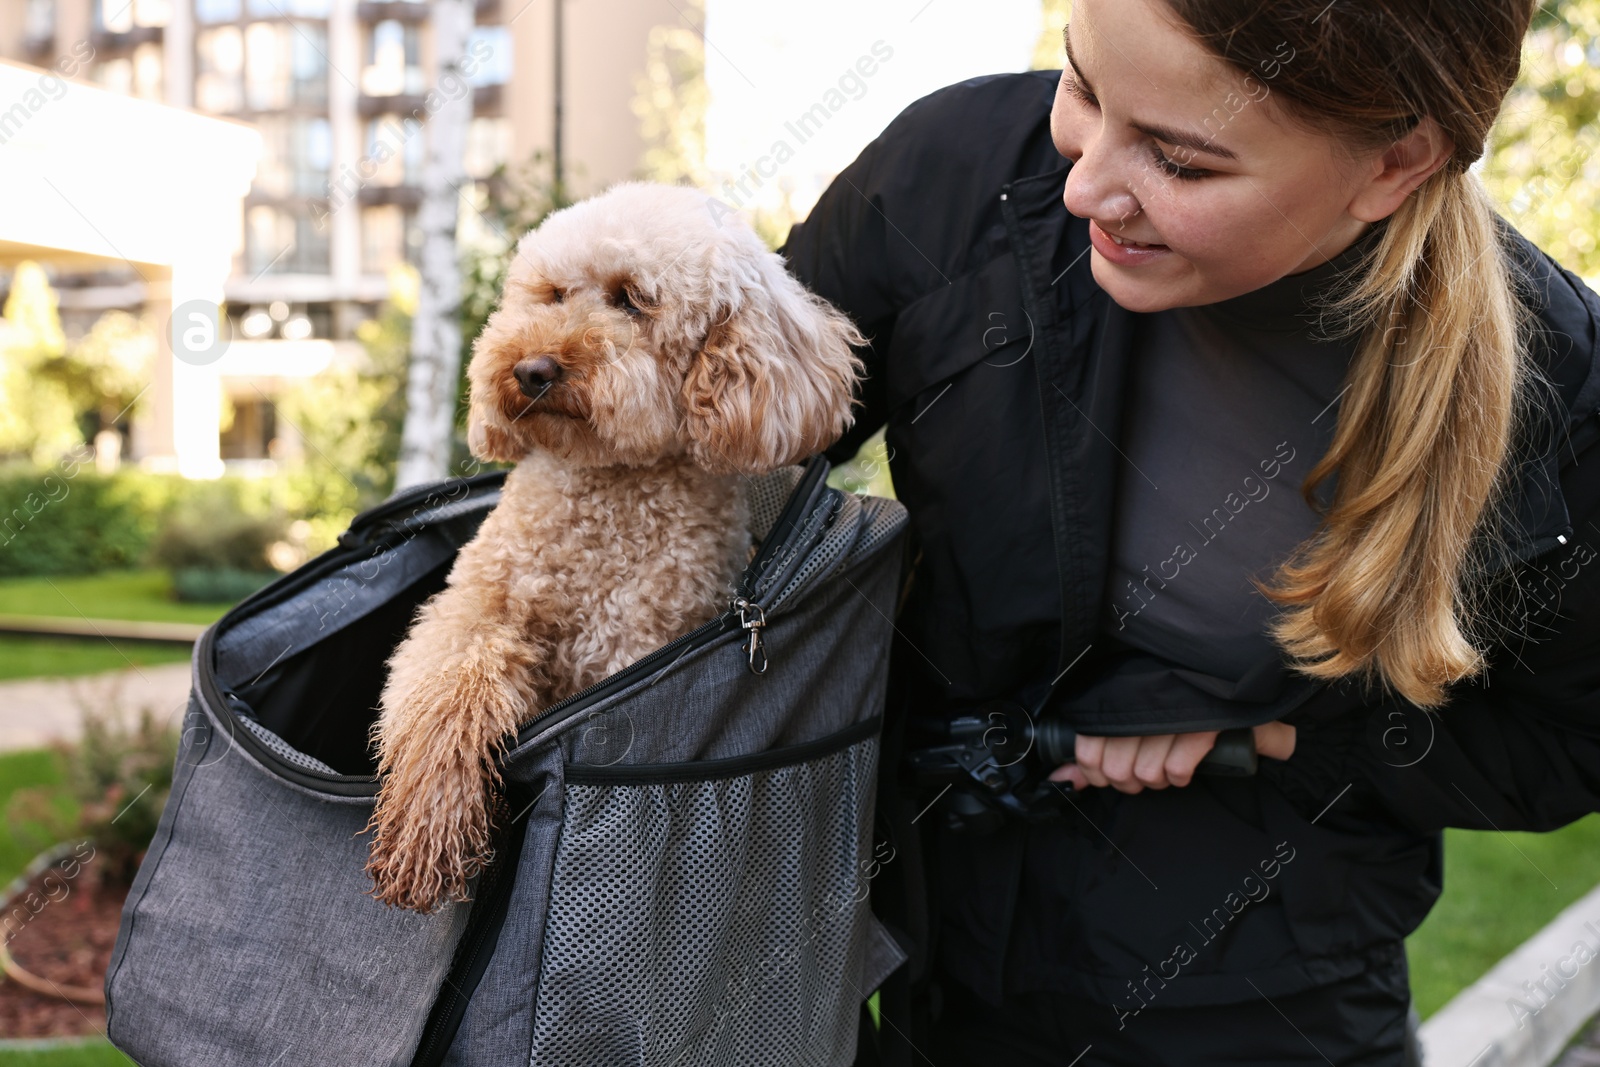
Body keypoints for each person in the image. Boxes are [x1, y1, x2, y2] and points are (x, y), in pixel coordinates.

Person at [780, 0, 1600, 1064]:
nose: (1079, 183)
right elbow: (722, 440)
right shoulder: (953, 172)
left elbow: (1570, 736)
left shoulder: (1555, 392)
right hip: (915, 976)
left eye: (1178, 161)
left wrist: (1274, 741)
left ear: (1395, 163)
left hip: (1263, 1012)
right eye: (1081, 85)